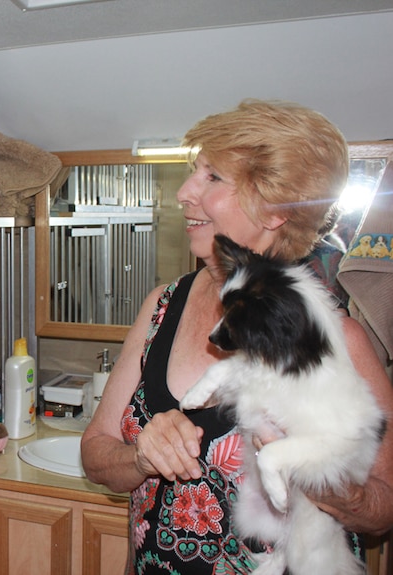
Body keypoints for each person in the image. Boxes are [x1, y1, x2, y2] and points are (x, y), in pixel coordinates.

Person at [80, 99, 393, 574]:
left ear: (274, 211)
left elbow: (382, 510)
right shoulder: (160, 307)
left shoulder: (335, 341)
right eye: (193, 172)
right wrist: (142, 456)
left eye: (212, 177)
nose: (184, 192)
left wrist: (310, 465)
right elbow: (96, 452)